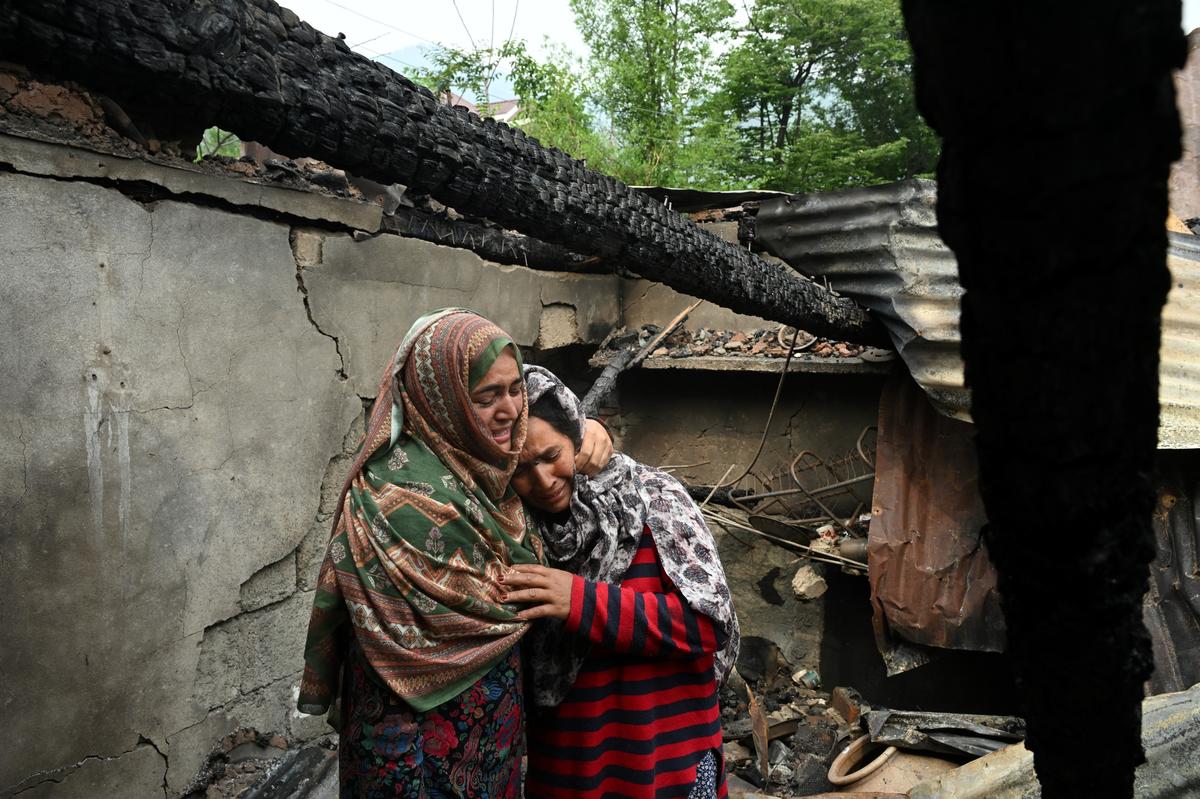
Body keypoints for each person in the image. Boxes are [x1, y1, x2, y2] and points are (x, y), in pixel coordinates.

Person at [296, 309, 611, 798]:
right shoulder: (400, 497)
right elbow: (495, 601)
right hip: (411, 745)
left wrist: (586, 430)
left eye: (514, 389)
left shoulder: (488, 471)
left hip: (491, 733)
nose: (510, 410)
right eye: (487, 397)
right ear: (442, 400)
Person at [502, 365, 740, 799]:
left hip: (671, 763)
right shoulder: (513, 531)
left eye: (551, 455)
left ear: (576, 436)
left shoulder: (655, 499)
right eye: (520, 469)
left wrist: (581, 601)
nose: (541, 481)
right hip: (572, 770)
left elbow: (708, 624)